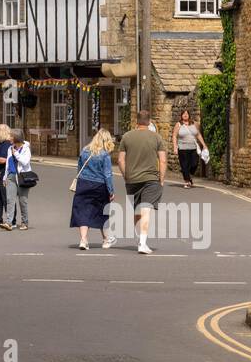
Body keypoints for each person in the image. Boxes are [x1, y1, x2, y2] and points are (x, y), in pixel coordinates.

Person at [117, 109, 167, 255]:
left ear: (136, 121)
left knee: (137, 209)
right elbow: (163, 160)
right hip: (151, 179)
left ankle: (123, 231)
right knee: (146, 211)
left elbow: (120, 160)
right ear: (149, 121)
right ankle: (142, 243)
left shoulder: (126, 137)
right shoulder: (156, 137)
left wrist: (126, 176)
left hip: (132, 179)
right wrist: (161, 180)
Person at [71, 128, 116, 249]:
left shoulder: (85, 150)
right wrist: (111, 191)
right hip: (99, 185)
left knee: (83, 211)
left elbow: (79, 168)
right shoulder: (105, 155)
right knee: (101, 212)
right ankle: (106, 240)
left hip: (83, 183)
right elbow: (107, 175)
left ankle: (83, 240)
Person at [5, 131, 33, 230]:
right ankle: (8, 223)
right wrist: (5, 177)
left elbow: (25, 162)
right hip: (11, 176)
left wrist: (16, 153)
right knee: (10, 200)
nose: (9, 138)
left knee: (23, 201)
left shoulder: (26, 149)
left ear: (16, 138)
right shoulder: (10, 148)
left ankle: (25, 222)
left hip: (22, 177)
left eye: (10, 136)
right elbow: (8, 164)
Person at [175, 108, 207, 188]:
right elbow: (174, 136)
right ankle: (187, 181)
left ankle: (188, 176)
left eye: (187, 113)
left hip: (193, 147)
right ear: (181, 115)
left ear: (189, 115)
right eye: (183, 114)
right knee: (184, 165)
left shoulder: (194, 124)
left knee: (194, 164)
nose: (185, 115)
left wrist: (204, 145)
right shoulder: (178, 124)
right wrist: (175, 147)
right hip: (182, 148)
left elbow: (198, 135)